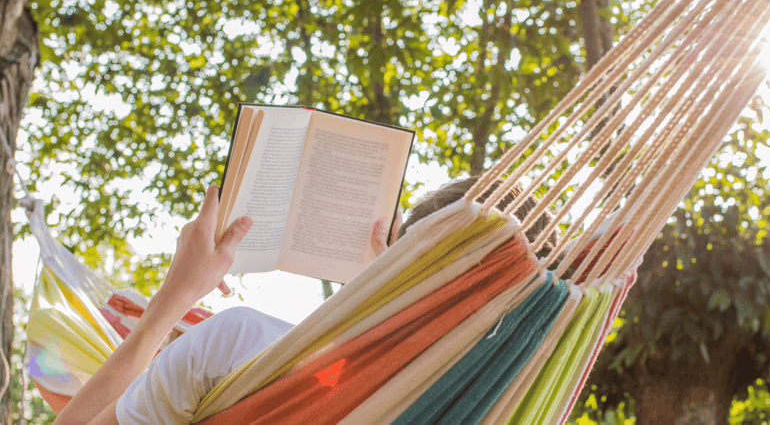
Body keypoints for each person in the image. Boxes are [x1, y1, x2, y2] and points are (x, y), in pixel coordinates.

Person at [54, 178, 555, 425]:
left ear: (405, 266)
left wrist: (175, 296)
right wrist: (373, 304)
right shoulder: (507, 407)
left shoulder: (242, 347)